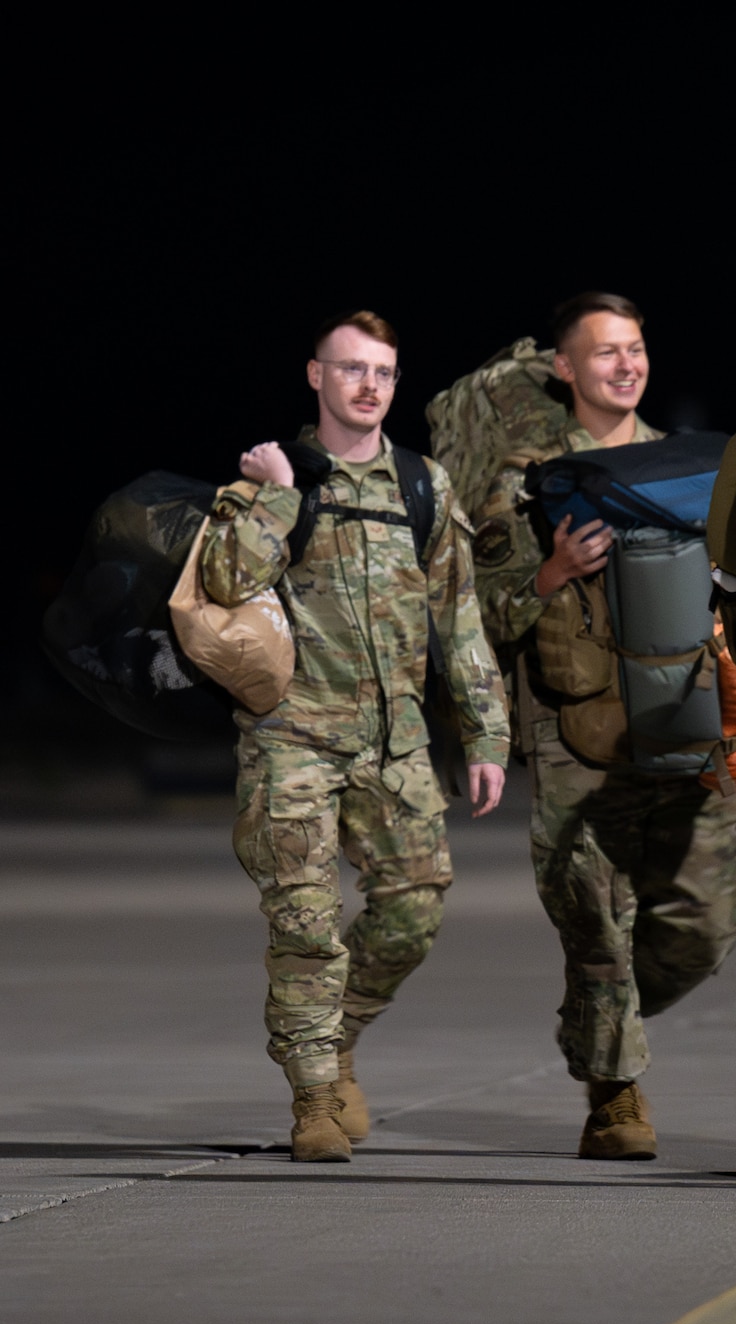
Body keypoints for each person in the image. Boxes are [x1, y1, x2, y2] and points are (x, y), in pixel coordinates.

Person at [203, 311, 509, 1162]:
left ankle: (336, 1039)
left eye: (383, 371)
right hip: (291, 739)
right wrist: (272, 496)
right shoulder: (276, 476)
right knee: (304, 923)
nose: (368, 384)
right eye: (350, 369)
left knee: (414, 908)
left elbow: (461, 617)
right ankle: (310, 1100)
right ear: (316, 376)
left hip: (396, 744)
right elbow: (226, 580)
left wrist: (487, 735)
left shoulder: (421, 485)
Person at [471, 293, 736, 1160]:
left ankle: (592, 1023)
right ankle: (616, 1096)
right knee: (596, 920)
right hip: (578, 733)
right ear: (565, 368)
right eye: (604, 352)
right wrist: (552, 570)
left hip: (692, 721)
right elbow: (475, 613)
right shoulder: (523, 483)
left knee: (714, 914)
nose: (625, 365)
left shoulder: (695, 470)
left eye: (635, 348)